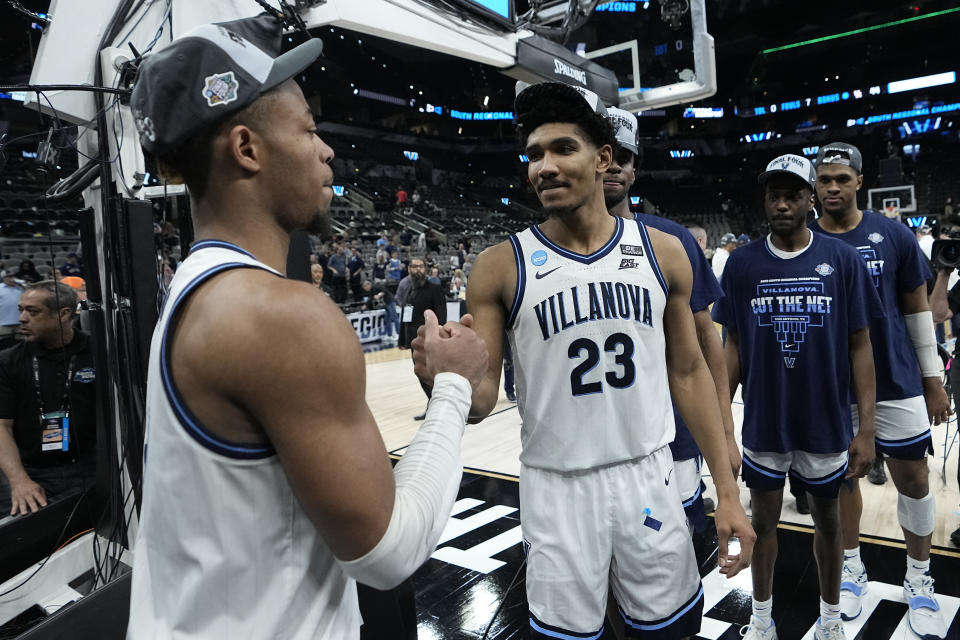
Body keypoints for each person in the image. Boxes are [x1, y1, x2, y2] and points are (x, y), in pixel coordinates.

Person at [126, 16, 488, 639]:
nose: (327, 150)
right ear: (247, 149)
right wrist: (454, 387)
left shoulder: (193, 289)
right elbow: (389, 552)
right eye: (310, 130)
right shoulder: (280, 315)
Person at [419, 81, 754, 640]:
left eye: (562, 149)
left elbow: (690, 372)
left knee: (670, 631)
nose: (544, 167)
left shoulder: (663, 251)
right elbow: (480, 401)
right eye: (534, 155)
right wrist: (443, 381)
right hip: (556, 486)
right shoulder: (499, 266)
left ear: (603, 160)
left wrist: (726, 492)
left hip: (648, 474)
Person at [713, 154, 880, 640]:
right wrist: (724, 423)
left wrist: (866, 429)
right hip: (766, 422)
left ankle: (830, 621)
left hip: (825, 422)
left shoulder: (842, 260)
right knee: (763, 524)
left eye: (792, 195)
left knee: (829, 523)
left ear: (810, 200)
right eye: (774, 195)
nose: (782, 204)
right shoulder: (742, 263)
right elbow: (734, 346)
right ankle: (761, 620)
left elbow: (860, 346)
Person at [809, 142, 952, 638]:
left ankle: (919, 577)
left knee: (913, 477)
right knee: (842, 478)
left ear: (859, 182)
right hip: (830, 385)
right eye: (823, 179)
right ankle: (851, 569)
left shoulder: (892, 235)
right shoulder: (800, 239)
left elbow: (917, 311)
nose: (831, 187)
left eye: (840, 179)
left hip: (896, 375)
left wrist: (933, 379)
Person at [603, 107, 740, 532]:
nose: (612, 169)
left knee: (677, 547)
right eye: (604, 158)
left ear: (634, 169)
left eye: (623, 159)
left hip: (673, 433)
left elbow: (706, 340)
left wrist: (725, 433)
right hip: (598, 442)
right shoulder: (549, 250)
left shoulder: (672, 240)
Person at [0, 281, 97, 516]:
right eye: (21, 309)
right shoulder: (8, 361)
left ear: (63, 314)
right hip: (31, 472)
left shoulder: (96, 351)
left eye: (32, 312)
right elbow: (2, 426)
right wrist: (19, 481)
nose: (22, 318)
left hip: (89, 468)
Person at [400, 257, 446, 420]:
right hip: (414, 340)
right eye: (414, 266)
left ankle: (445, 408)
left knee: (434, 376)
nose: (417, 269)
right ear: (409, 269)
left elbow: (441, 313)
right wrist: (401, 340)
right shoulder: (408, 290)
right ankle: (433, 405)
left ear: (425, 269)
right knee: (421, 374)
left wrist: (440, 335)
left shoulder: (434, 288)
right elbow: (405, 316)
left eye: (420, 266)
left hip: (430, 340)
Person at [0, 270, 23, 350]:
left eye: (12, 276)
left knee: (21, 346)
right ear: (3, 278)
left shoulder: (21, 288)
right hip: (3, 323)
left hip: (20, 322)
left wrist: (22, 284)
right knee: (4, 346)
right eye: (8, 277)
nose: (11, 279)